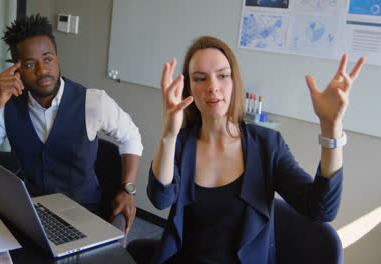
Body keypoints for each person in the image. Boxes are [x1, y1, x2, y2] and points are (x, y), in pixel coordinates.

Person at [147, 36, 365, 263]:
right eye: (200, 78)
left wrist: (331, 130)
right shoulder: (180, 143)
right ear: (189, 88)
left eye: (222, 76)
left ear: (235, 82)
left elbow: (321, 210)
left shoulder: (267, 145)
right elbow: (160, 199)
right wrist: (168, 135)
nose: (213, 87)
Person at [0, 14, 142, 234]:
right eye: (30, 64)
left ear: (57, 59)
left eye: (47, 59)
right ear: (17, 70)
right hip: (28, 213)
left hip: (81, 217)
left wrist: (128, 189)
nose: (42, 70)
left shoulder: (93, 102)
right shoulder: (7, 106)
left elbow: (131, 137)